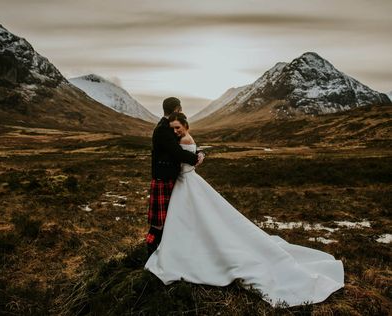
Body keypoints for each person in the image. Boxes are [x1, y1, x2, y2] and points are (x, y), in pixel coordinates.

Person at [145, 112, 344, 307]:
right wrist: (196, 157)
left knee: (194, 218)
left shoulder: (186, 140)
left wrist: (193, 157)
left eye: (178, 128)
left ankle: (183, 249)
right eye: (173, 129)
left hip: (186, 182)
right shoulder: (184, 139)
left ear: (186, 126)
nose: (176, 132)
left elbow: (182, 158)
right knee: (191, 219)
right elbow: (183, 158)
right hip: (185, 183)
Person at [146, 97, 205, 256]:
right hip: (163, 178)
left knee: (169, 217)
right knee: (159, 221)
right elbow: (176, 151)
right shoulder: (163, 129)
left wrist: (198, 152)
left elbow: (185, 142)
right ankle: (150, 248)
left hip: (170, 177)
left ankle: (163, 247)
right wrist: (195, 159)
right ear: (177, 110)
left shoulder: (170, 126)